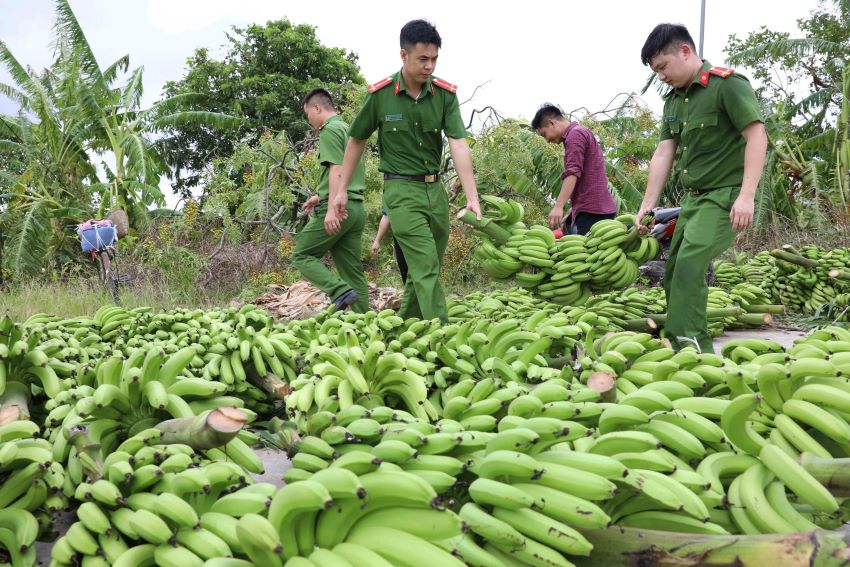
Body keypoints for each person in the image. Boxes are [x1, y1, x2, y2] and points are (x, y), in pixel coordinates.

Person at [332, 19, 482, 322]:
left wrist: (472, 196)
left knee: (423, 271)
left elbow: (459, 145)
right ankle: (444, 337)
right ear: (404, 55)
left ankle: (404, 331)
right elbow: (356, 139)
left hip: (435, 192)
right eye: (422, 59)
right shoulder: (380, 95)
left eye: (434, 59)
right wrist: (341, 190)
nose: (429, 66)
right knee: (425, 265)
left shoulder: (445, 95)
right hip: (401, 192)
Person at [635, 23, 767, 353]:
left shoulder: (727, 85)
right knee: (674, 270)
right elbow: (664, 152)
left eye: (662, 67)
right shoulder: (673, 102)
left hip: (725, 195)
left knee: (691, 267)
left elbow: (756, 136)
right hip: (692, 201)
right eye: (656, 72)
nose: (661, 76)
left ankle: (692, 352)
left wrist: (747, 195)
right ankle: (683, 344)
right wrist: (647, 205)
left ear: (685, 51)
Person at [292, 88, 369, 312]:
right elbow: (346, 171)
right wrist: (319, 196)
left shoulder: (329, 130)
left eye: (308, 115)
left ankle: (339, 291)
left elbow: (336, 169)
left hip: (339, 209)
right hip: (355, 208)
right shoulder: (347, 129)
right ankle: (368, 326)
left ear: (317, 108)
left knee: (302, 254)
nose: (310, 121)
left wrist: (331, 209)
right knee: (353, 271)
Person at [532, 105, 617, 234]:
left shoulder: (575, 134)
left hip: (592, 212)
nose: (547, 140)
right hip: (596, 208)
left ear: (551, 123)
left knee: (588, 253)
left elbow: (573, 172)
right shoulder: (580, 132)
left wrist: (558, 207)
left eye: (544, 134)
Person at [371, 210, 409, 283]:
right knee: (406, 273)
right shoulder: (392, 199)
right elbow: (386, 216)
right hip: (400, 239)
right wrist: (377, 241)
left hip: (423, 236)